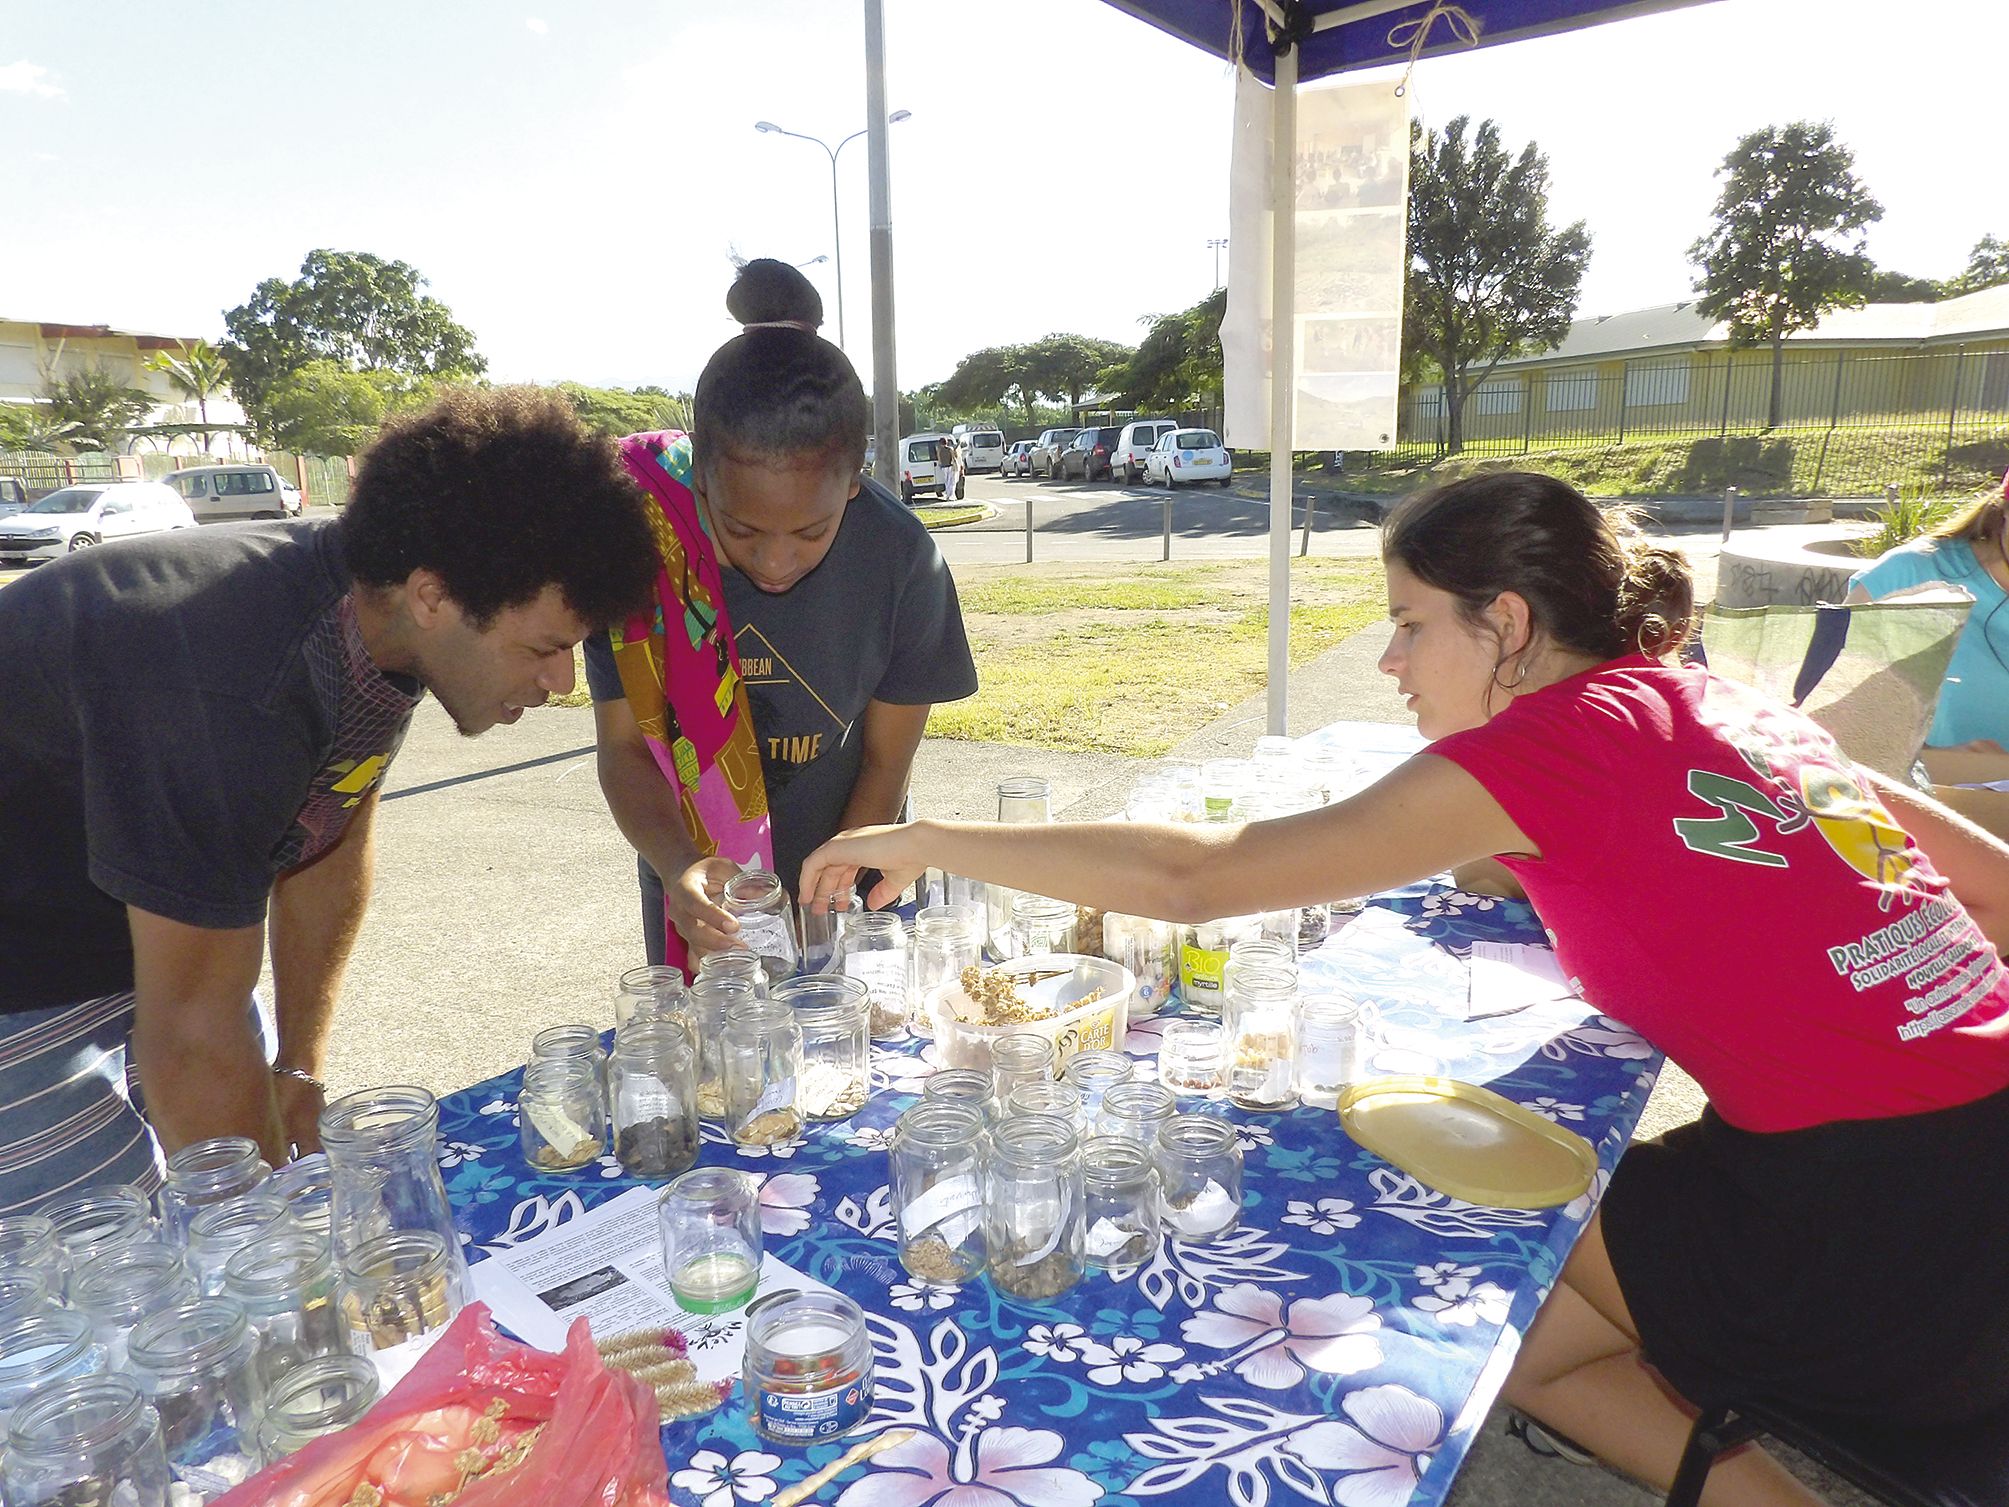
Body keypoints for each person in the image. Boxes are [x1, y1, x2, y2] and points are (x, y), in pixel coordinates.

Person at [801, 472, 2009, 1506]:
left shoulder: (1550, 745)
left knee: (1419, 1186)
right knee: (1528, 1348)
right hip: (1962, 1163)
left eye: (1407, 624)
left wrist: (928, 836)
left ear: (1508, 622)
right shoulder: (1717, 700)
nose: (1386, 661)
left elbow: (1194, 875)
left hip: (1881, 1223)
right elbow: (1993, 892)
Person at [0, 387, 658, 1210]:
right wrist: (289, 1252)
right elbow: (193, 1046)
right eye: (545, 648)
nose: (561, 678)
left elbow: (329, 839)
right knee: (95, 1268)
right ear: (432, 596)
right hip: (23, 970)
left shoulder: (378, 623)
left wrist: (296, 1066)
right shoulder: (235, 684)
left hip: (147, 923)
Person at [584, 259, 976, 974]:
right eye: (739, 529)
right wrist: (679, 866)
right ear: (700, 472)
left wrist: (835, 886)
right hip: (700, 891)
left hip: (854, 883)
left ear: (854, 484)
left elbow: (888, 756)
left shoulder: (899, 557)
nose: (772, 561)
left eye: (808, 534)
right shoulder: (641, 554)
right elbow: (624, 748)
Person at [1847, 470, 2009, 774]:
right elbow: (1824, 726)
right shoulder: (1907, 576)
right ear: (2003, 508)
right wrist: (1938, 763)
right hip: (1922, 811)